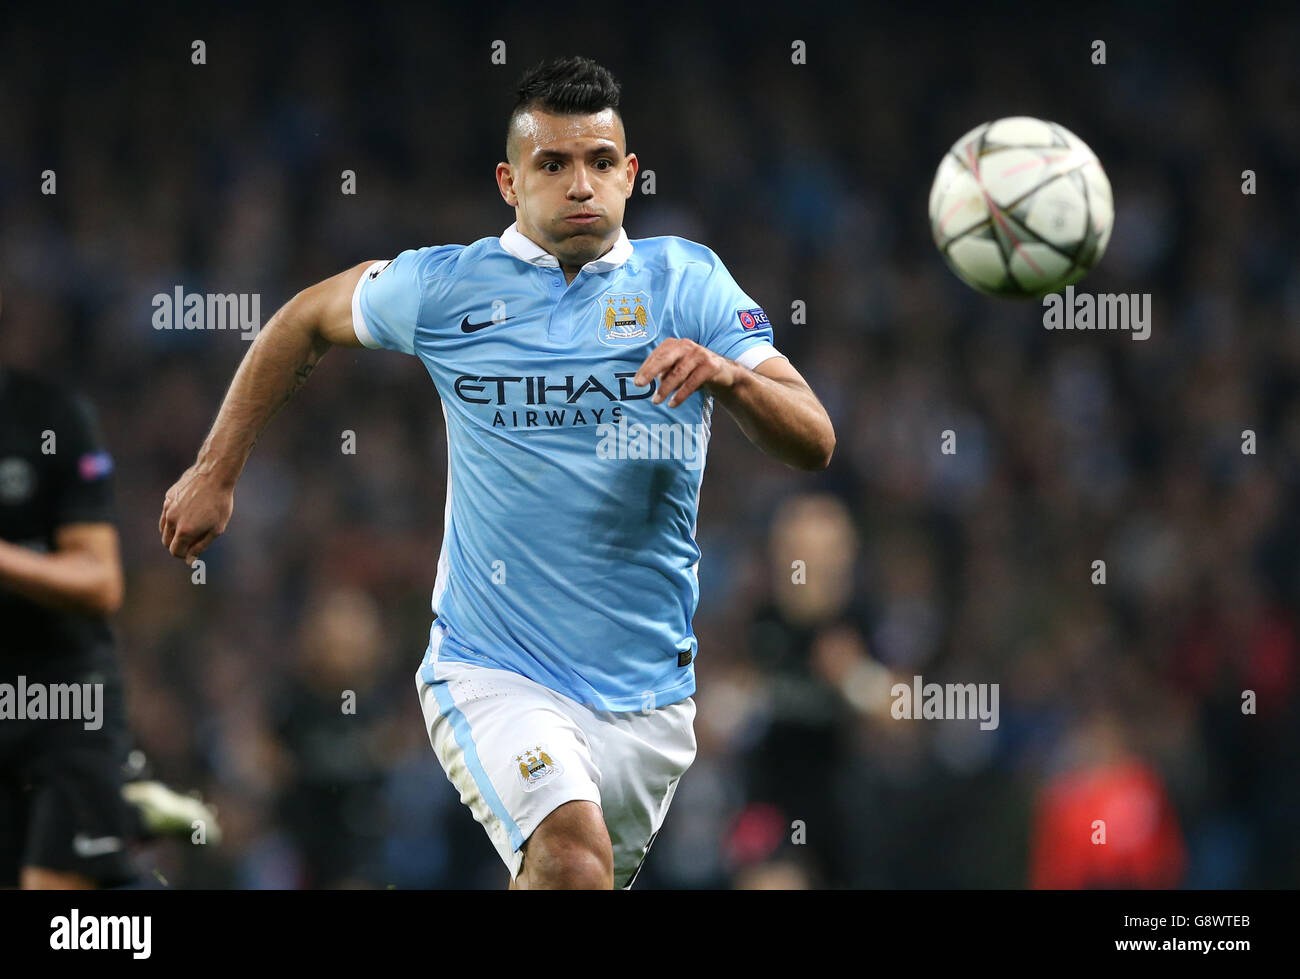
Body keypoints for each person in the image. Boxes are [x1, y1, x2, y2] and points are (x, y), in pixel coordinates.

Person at [159, 55, 835, 889]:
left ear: (629, 175)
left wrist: (731, 378)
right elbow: (304, 318)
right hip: (492, 667)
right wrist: (214, 470)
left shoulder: (686, 282)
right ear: (510, 182)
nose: (579, 184)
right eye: (553, 164)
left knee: (566, 875)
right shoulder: (448, 287)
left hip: (648, 699)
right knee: (571, 854)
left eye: (598, 163)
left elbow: (814, 438)